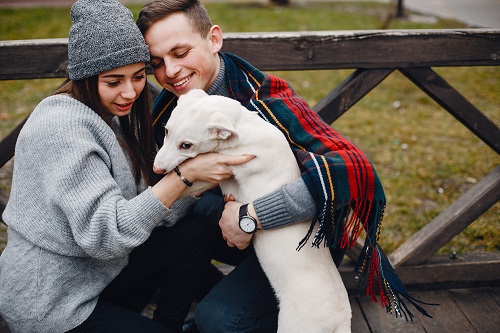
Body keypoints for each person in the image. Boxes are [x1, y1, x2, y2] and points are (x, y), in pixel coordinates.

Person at [137, 1, 432, 332]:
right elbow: (164, 195)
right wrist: (194, 186)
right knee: (172, 233)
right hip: (232, 233)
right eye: (157, 63)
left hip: (300, 241)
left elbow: (352, 171)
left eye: (180, 52)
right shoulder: (169, 110)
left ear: (214, 39)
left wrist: (250, 217)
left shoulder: (266, 100)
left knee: (220, 320)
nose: (171, 71)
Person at [0, 1, 254, 332]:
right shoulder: (62, 129)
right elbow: (106, 236)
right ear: (86, 78)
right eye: (113, 81)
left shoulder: (107, 117)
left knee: (191, 233)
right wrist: (184, 176)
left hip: (98, 277)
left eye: (138, 76)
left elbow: (146, 209)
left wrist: (200, 187)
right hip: (54, 303)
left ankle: (169, 325)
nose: (129, 91)